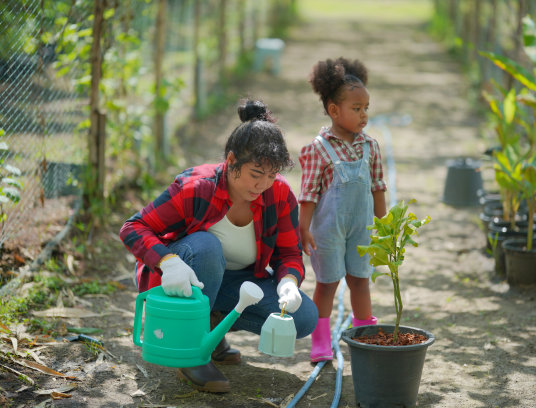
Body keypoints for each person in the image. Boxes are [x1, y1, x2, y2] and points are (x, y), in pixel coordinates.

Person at [120, 99, 318, 393]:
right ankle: (191, 352)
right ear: (231, 161)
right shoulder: (197, 188)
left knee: (303, 318)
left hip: (234, 280)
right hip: (183, 275)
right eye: (255, 174)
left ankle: (211, 327)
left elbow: (288, 253)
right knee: (207, 246)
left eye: (271, 175)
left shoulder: (279, 195)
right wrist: (167, 261)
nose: (262, 184)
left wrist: (288, 282)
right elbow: (132, 227)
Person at [298, 57, 387, 363]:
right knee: (327, 284)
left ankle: (364, 335)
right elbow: (308, 194)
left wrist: (384, 226)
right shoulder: (319, 149)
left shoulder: (370, 147)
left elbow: (378, 187)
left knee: (360, 280)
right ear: (334, 110)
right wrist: (304, 228)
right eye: (356, 108)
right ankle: (320, 341)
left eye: (366, 108)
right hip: (328, 231)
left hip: (361, 228)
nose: (364, 115)